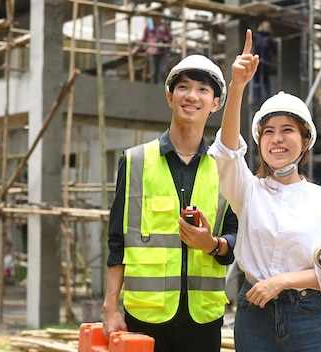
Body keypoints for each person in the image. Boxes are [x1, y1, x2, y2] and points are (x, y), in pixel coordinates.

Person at [208, 29, 321, 352]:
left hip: (310, 317)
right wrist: (236, 86)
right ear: (259, 141)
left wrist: (284, 280)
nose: (277, 139)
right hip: (255, 317)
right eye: (269, 132)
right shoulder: (247, 191)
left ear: (306, 141)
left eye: (287, 130)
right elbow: (226, 151)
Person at [102, 54, 238, 352]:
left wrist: (212, 244)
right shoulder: (135, 161)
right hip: (144, 317)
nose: (192, 96)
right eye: (184, 87)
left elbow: (236, 236)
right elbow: (118, 241)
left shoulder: (225, 167)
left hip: (203, 320)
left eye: (203, 89)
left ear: (215, 103)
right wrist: (110, 307)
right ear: (169, 96)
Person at [137, 16, 173, 84]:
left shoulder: (164, 26)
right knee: (153, 73)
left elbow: (170, 37)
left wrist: (168, 43)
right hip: (152, 51)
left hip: (163, 51)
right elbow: (143, 39)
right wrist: (136, 49)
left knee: (162, 72)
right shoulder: (149, 26)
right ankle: (153, 90)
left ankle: (161, 89)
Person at [252, 20, 278, 104]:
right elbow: (274, 50)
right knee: (261, 80)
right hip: (261, 61)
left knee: (260, 80)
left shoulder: (263, 38)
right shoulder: (267, 38)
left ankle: (260, 97)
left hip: (261, 62)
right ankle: (261, 97)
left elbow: (274, 50)